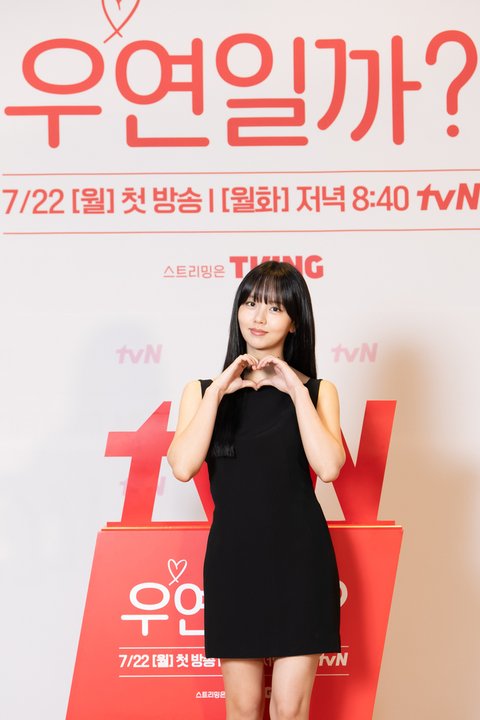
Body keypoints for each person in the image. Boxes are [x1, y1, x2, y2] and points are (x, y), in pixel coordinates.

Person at [167, 261, 346, 720]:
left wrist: (295, 389)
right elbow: (183, 466)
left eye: (274, 308)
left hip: (301, 562)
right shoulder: (202, 391)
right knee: (243, 708)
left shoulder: (319, 391)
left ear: (295, 322)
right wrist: (218, 391)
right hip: (235, 562)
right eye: (250, 304)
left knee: (290, 709)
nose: (259, 317)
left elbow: (329, 467)